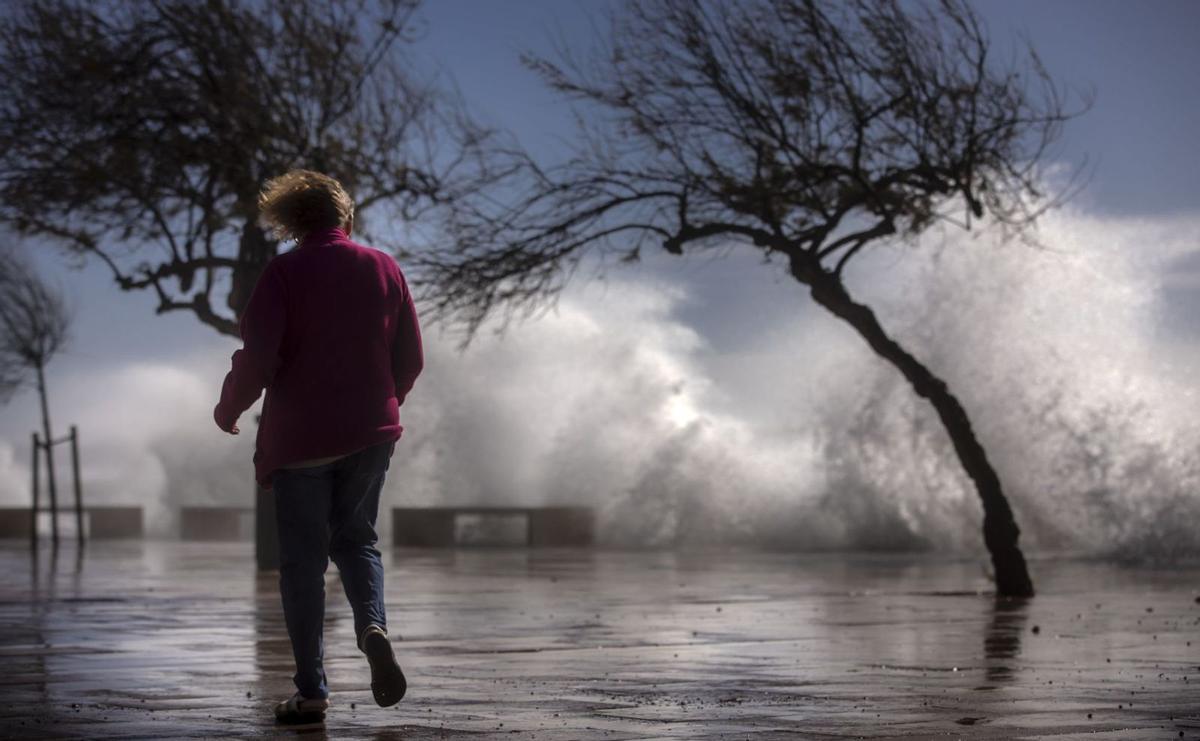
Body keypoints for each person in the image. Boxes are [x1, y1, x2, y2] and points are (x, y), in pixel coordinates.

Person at [213, 170, 423, 724]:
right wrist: (381, 404)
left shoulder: (282, 274)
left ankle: (311, 693)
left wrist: (229, 409)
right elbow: (411, 358)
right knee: (357, 542)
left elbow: (257, 358)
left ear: (291, 225)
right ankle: (372, 627)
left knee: (302, 565)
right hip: (370, 432)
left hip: (300, 438)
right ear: (345, 219)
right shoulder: (384, 267)